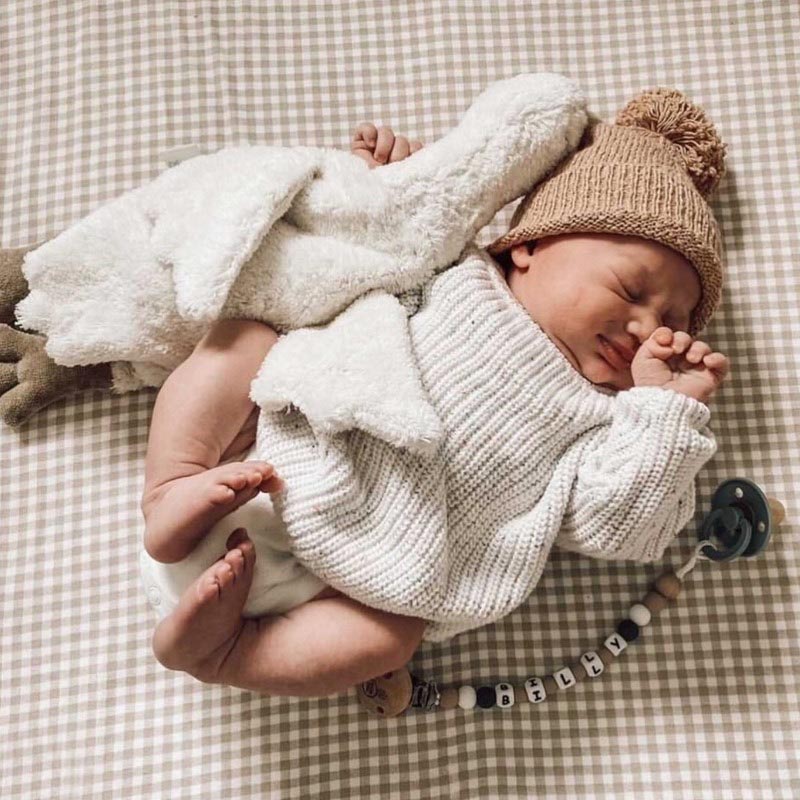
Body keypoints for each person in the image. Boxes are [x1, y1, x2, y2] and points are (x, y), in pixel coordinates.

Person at [140, 90, 731, 697]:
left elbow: (619, 528)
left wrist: (665, 411)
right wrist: (396, 179)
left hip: (368, 581)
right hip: (264, 462)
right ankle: (170, 485)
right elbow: (381, 235)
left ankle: (226, 653)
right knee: (244, 341)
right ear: (529, 246)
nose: (646, 327)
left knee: (390, 640)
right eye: (630, 290)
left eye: (674, 323)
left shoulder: (613, 421)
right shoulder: (457, 267)